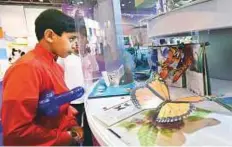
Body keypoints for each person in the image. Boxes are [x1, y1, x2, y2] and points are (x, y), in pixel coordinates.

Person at [1, 9, 84, 146]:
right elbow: (16, 132)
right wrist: (66, 137)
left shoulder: (56, 67)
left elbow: (60, 107)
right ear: (50, 35)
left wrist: (71, 124)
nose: (75, 45)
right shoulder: (26, 69)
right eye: (71, 39)